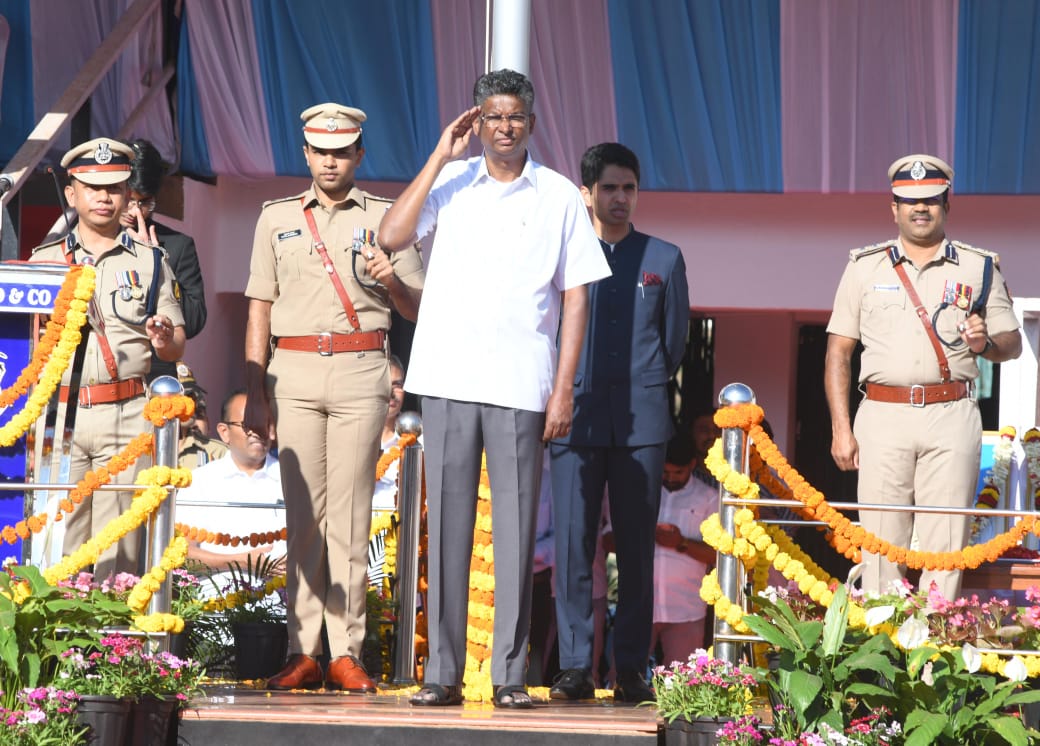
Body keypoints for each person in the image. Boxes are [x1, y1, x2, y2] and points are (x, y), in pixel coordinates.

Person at [378, 68, 610, 709]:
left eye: (515, 116)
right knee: (447, 528)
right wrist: (436, 155)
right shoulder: (450, 183)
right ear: (476, 123)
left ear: (531, 124)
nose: (504, 127)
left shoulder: (560, 195)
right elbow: (391, 237)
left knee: (514, 534)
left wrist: (564, 390)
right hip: (447, 376)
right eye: (492, 116)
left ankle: (510, 675)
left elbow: (577, 298)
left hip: (519, 383)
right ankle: (442, 674)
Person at [243, 103, 424, 693]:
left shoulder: (388, 218)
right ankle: (302, 651)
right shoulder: (275, 217)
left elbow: (416, 307)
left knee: (350, 514)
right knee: (302, 518)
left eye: (341, 150)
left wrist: (390, 277)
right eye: (320, 150)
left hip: (359, 368)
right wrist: (253, 392)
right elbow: (259, 306)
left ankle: (346, 651)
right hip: (290, 370)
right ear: (305, 154)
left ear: (358, 155)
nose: (330, 160)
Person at [825, 154, 1022, 600]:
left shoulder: (979, 265)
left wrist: (984, 344)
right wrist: (841, 427)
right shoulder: (863, 266)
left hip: (951, 414)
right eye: (909, 201)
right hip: (882, 413)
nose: (920, 209)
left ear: (947, 203)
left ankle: (934, 657)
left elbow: (1012, 343)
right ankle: (883, 659)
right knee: (880, 542)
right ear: (892, 207)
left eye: (931, 200)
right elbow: (839, 351)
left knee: (945, 541)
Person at [549, 142, 689, 704]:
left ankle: (631, 667)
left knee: (635, 549)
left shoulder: (664, 257)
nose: (619, 198)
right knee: (573, 545)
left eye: (628, 188)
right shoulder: (560, 254)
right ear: (586, 193)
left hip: (642, 424)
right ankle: (575, 666)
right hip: (574, 418)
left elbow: (674, 342)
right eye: (608, 187)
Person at [31, 137, 185, 578]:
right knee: (56, 540)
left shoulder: (152, 261)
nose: (104, 197)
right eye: (93, 187)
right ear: (71, 194)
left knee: (119, 549)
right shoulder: (44, 261)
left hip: (126, 413)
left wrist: (162, 339)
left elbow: (177, 343)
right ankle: (56, 640)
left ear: (128, 195)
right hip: (59, 418)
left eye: (115, 187)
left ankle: (115, 646)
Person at [118, 138, 207, 382]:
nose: (135, 210)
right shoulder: (91, 242)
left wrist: (157, 263)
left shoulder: (178, 245)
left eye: (144, 202)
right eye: (127, 198)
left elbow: (195, 320)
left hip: (152, 376)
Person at [175, 389, 284, 574]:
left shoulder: (292, 478)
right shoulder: (201, 481)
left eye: (264, 423)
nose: (257, 431)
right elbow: (182, 554)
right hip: (218, 599)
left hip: (284, 598)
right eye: (248, 424)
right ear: (224, 432)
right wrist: (239, 562)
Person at [644, 434, 716, 663]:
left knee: (683, 684)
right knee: (623, 680)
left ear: (692, 465)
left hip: (686, 608)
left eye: (678, 473)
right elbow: (607, 540)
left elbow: (719, 554)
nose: (671, 478)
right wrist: (644, 536)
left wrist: (681, 543)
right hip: (641, 605)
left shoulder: (709, 498)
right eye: (665, 472)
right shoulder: (643, 491)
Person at [368, 354, 407, 587]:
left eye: (398, 385)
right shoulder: (351, 437)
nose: (392, 393)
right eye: (385, 385)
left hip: (402, 552)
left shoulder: (418, 439)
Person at [175, 361, 228, 470]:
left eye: (192, 397)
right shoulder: (146, 449)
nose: (190, 404)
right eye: (181, 399)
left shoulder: (218, 452)